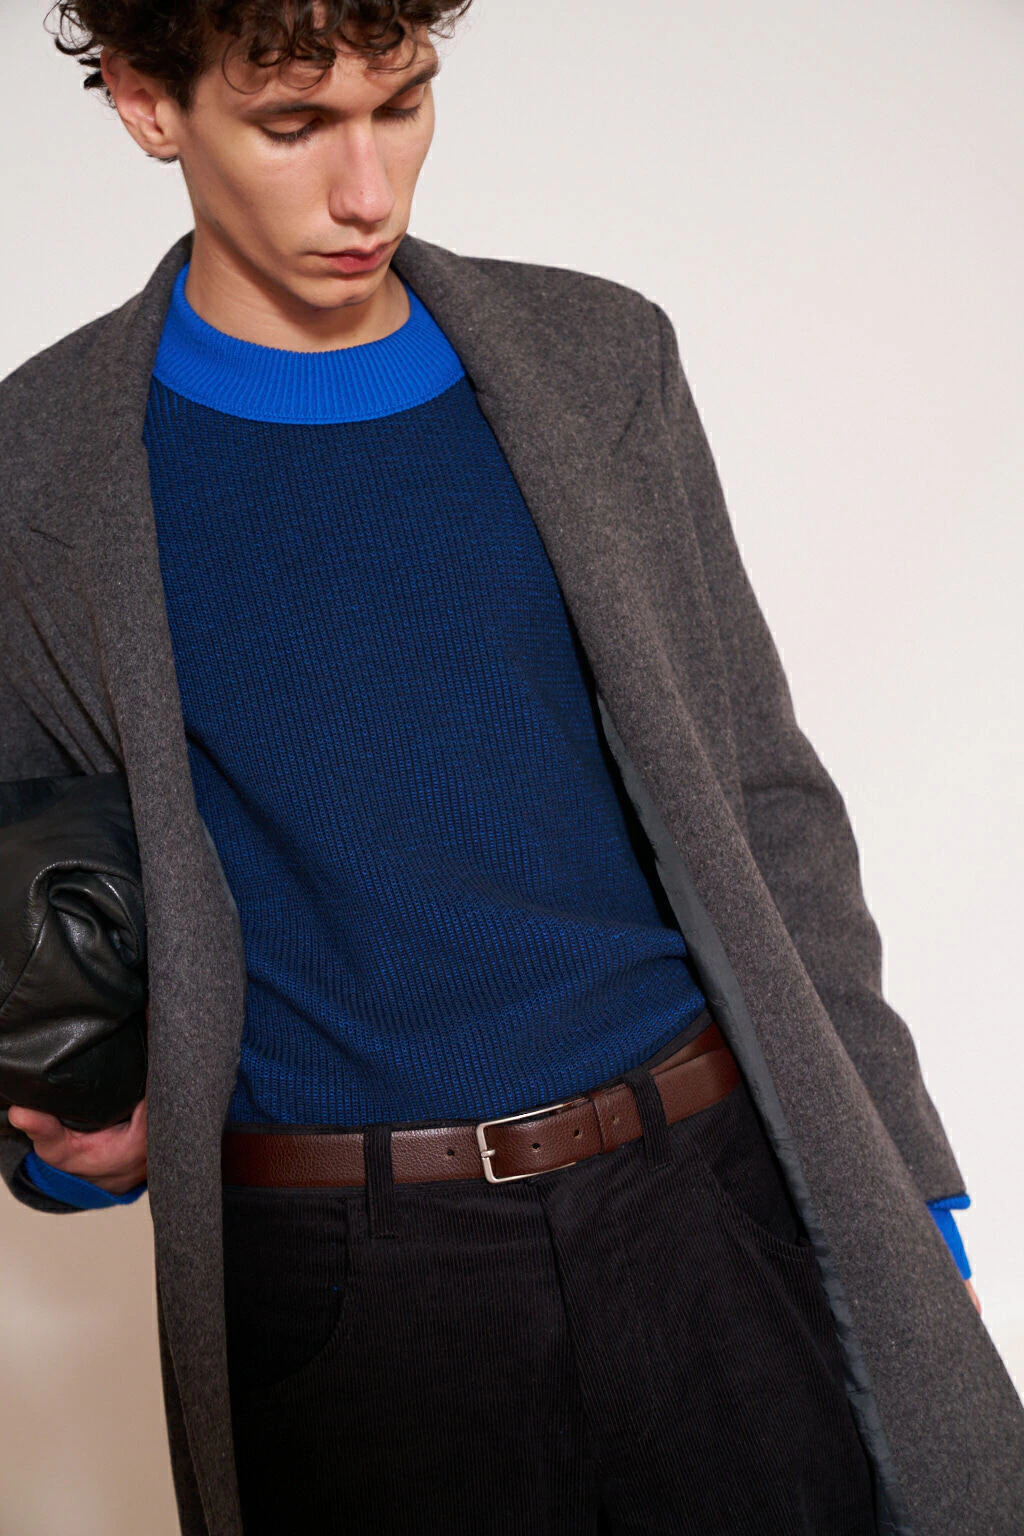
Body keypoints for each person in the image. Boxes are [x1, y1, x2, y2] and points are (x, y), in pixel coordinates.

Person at [1, 2, 1020, 1532]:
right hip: (345, 1282)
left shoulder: (598, 361)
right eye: (295, 125)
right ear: (151, 104)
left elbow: (763, 787)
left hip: (703, 1203)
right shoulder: (41, 470)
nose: (366, 189)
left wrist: (901, 1178)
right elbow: (33, 889)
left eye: (401, 103)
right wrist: (78, 1129)